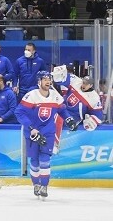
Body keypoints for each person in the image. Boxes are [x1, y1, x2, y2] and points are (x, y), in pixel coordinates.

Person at [15, 71, 76, 199]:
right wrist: (31, 128)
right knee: (35, 161)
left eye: (49, 79)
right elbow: (19, 112)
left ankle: (44, 186)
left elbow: (62, 110)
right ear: (39, 82)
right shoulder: (31, 96)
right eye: (45, 79)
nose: (48, 81)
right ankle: (36, 184)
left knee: (45, 159)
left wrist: (69, 119)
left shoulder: (55, 96)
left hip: (48, 131)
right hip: (32, 132)